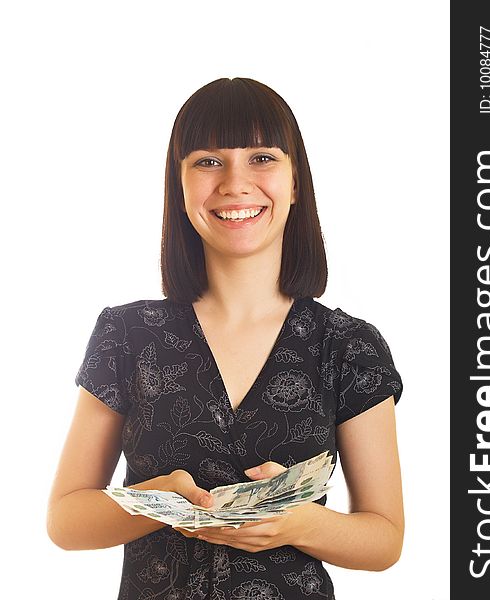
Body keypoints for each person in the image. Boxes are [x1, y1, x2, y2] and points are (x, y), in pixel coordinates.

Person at [47, 77, 404, 600]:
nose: (235, 184)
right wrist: (156, 499)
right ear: (181, 184)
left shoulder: (348, 346)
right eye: (208, 161)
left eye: (262, 157)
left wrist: (297, 524)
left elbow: (385, 539)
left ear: (295, 181)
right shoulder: (127, 334)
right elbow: (65, 520)